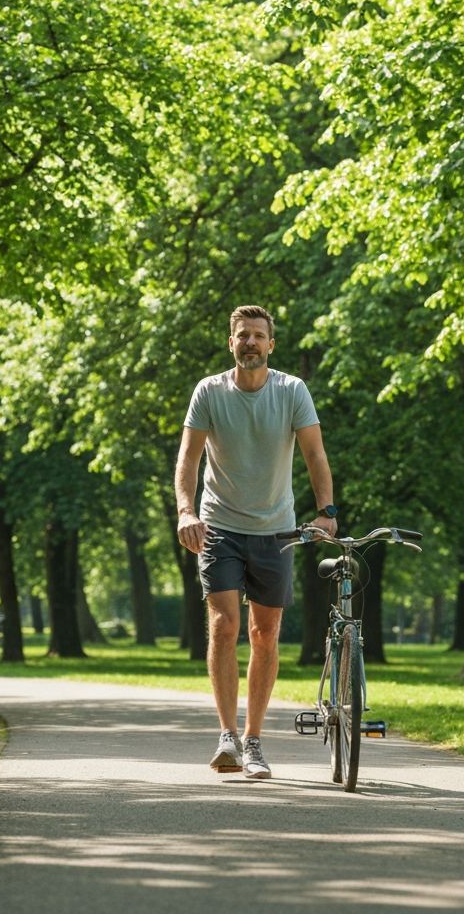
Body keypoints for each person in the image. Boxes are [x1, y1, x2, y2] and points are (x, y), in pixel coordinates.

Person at [175, 304, 338, 779]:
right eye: (242, 335)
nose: (250, 342)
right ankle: (227, 734)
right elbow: (188, 460)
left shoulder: (292, 391)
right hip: (219, 525)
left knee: (265, 635)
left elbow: (314, 453)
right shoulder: (209, 391)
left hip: (276, 529)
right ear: (231, 343)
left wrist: (326, 513)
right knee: (224, 625)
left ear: (271, 344)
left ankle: (254, 741)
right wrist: (186, 511)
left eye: (258, 335)